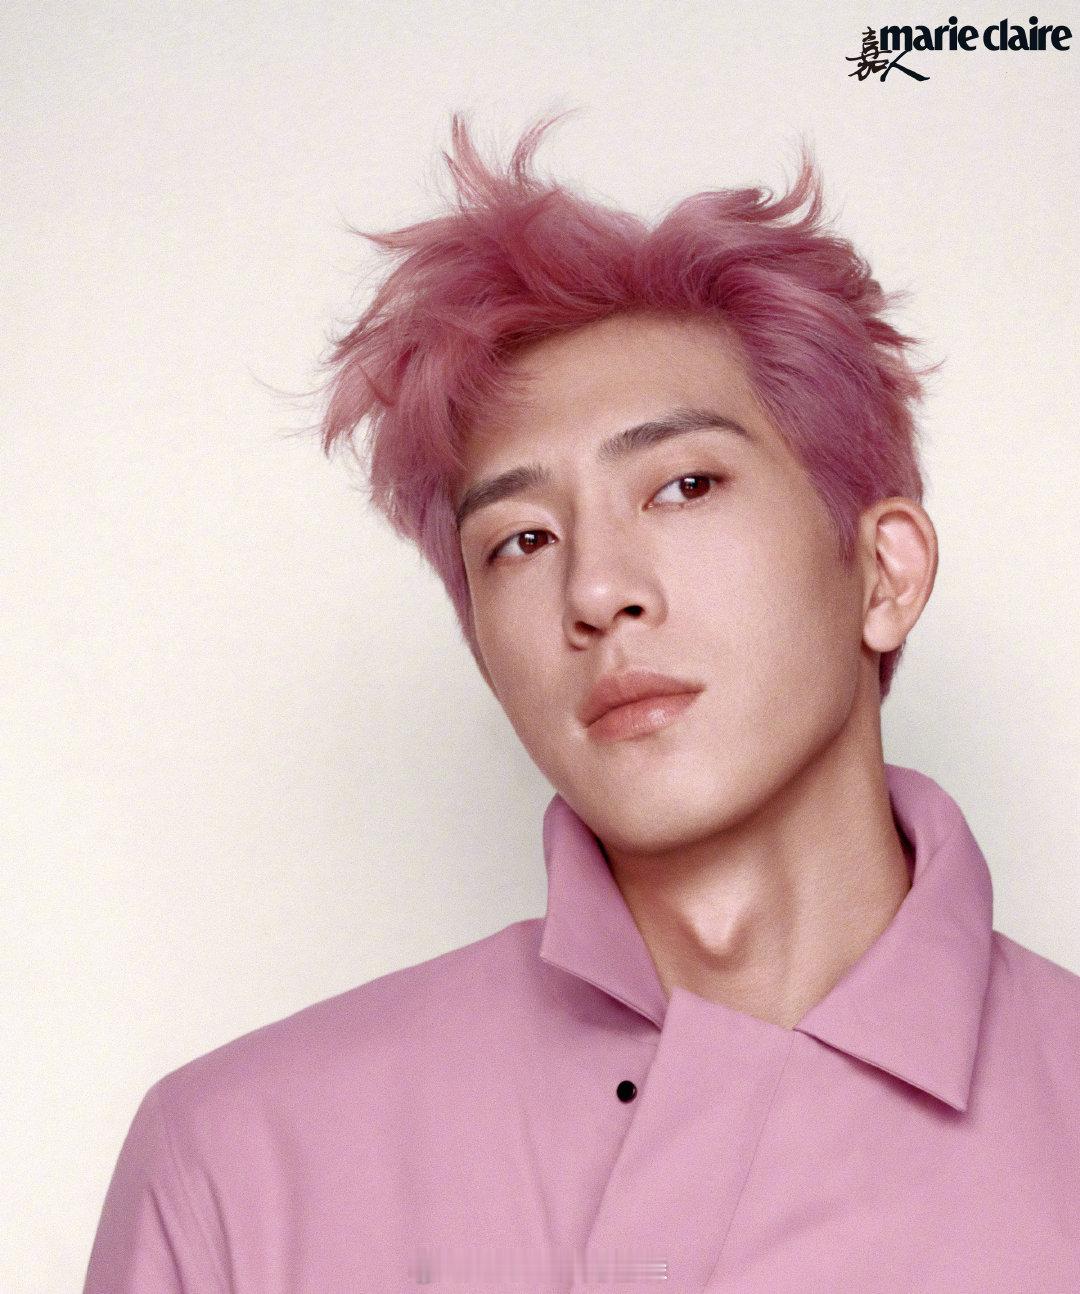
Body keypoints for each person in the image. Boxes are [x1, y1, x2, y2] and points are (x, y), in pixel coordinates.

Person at [84, 114, 1080, 1292]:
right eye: (520, 540)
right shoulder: (237, 1167)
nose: (597, 590)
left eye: (685, 484)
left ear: (883, 571)